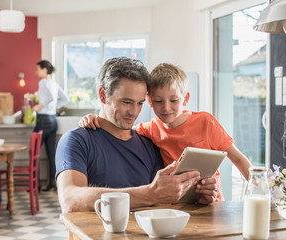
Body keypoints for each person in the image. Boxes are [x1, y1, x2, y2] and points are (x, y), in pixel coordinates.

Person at [55, 57, 217, 213]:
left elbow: (164, 201)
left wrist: (197, 197)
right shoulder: (77, 141)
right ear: (103, 95)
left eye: (140, 103)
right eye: (126, 102)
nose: (134, 112)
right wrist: (149, 194)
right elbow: (70, 199)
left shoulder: (149, 144)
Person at [80, 63, 252, 201]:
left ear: (185, 98)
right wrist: (94, 118)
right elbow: (118, 128)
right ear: (149, 101)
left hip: (211, 201)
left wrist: (259, 190)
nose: (166, 108)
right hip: (176, 205)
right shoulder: (150, 128)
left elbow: (237, 158)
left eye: (174, 100)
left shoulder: (206, 122)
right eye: (158, 101)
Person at [33, 60, 69, 191]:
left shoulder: (43, 82)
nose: (36, 72)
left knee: (33, 152)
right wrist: (54, 108)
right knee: (51, 155)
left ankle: (34, 185)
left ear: (44, 70)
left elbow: (51, 98)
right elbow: (65, 99)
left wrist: (40, 105)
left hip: (43, 120)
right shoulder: (54, 83)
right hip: (52, 120)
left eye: (37, 69)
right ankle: (52, 184)